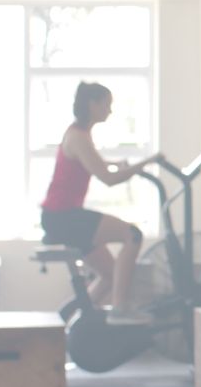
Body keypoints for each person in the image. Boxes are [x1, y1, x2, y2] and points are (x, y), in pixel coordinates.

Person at [40, 82, 162, 324]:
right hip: (62, 217)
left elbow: (98, 164)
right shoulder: (78, 137)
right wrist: (147, 162)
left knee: (109, 275)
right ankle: (120, 308)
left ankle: (74, 323)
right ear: (92, 104)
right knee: (133, 235)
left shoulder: (81, 134)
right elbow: (108, 179)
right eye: (107, 104)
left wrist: (120, 164)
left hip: (62, 217)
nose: (110, 110)